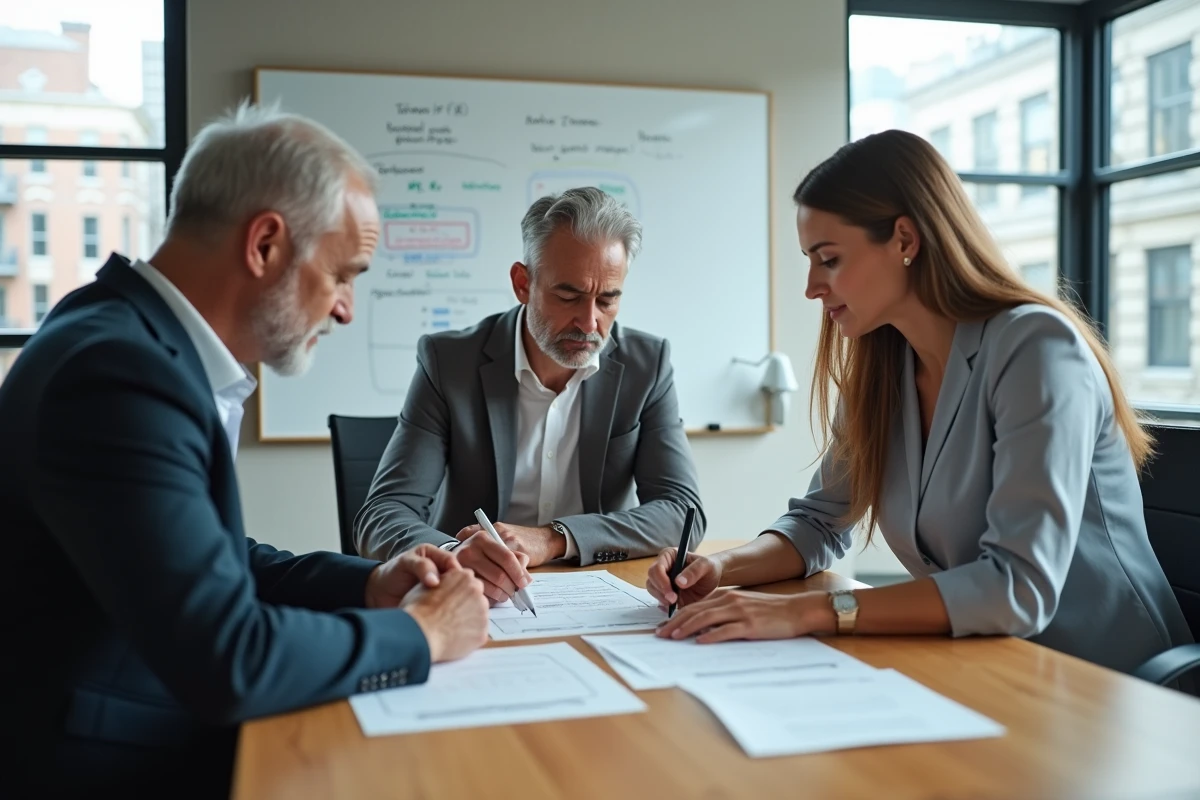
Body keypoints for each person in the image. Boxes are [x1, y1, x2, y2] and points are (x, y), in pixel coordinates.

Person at [0, 102, 490, 796]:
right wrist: (424, 635)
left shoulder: (118, 334)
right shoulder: (121, 375)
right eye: (343, 273)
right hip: (112, 763)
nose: (346, 308)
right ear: (264, 245)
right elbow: (228, 658)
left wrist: (365, 584)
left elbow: (208, 558)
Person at [648, 129, 1191, 675]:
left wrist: (804, 612)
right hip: (984, 662)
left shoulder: (1036, 348)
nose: (811, 287)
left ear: (905, 240)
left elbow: (1017, 587)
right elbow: (819, 522)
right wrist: (719, 568)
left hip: (1108, 680)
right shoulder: (882, 368)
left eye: (828, 259)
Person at [356, 187, 705, 605]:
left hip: (598, 591)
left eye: (607, 300)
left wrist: (554, 539)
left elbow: (681, 511)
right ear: (523, 283)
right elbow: (382, 514)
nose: (589, 322)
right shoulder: (448, 363)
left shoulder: (646, 365)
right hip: (476, 596)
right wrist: (453, 554)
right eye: (569, 296)